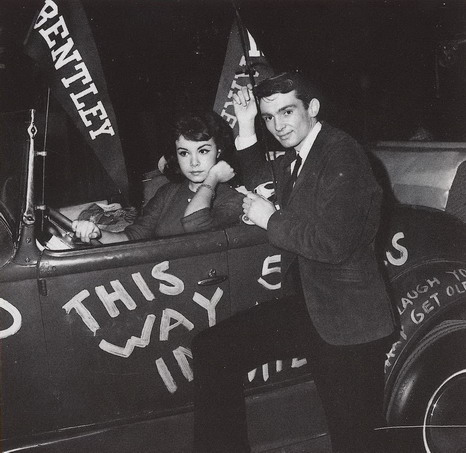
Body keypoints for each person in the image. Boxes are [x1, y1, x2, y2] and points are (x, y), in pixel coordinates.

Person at [191, 72, 399, 453]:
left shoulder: (342, 154)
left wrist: (270, 219)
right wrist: (247, 126)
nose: (278, 126)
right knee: (213, 350)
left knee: (357, 441)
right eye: (269, 117)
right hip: (310, 306)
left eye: (287, 112)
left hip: (348, 321)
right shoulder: (302, 154)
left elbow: (332, 243)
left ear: (312, 108)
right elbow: (267, 185)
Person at [72, 110, 243, 243]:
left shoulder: (234, 198)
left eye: (203, 151)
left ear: (218, 151)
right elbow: (133, 237)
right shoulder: (168, 192)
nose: (194, 162)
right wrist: (98, 233)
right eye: (184, 153)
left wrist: (213, 177)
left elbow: (195, 223)